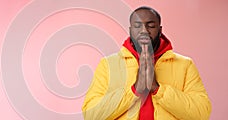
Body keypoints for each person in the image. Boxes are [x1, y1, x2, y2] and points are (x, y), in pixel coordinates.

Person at [82, 6, 211, 120]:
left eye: (150, 25)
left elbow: (201, 113)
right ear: (130, 30)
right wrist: (135, 90)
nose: (144, 30)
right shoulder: (108, 65)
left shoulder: (185, 65)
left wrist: (157, 88)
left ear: (160, 30)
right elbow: (91, 114)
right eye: (137, 25)